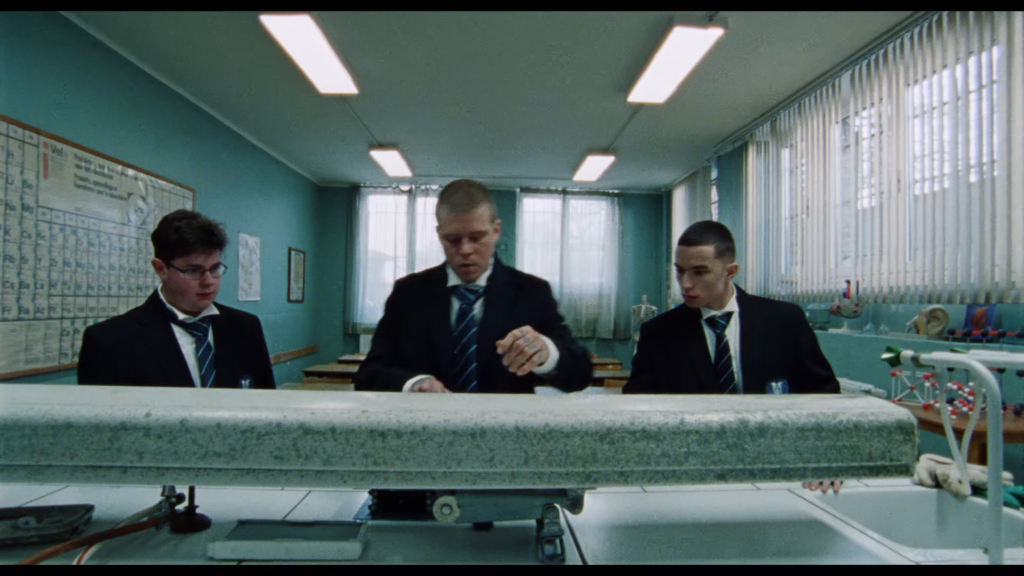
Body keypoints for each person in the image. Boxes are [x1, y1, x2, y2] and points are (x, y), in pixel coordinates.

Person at [623, 220, 842, 493]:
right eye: (680, 272)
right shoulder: (659, 332)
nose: (685, 284)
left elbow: (824, 394)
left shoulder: (783, 320)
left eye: (700, 272)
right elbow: (637, 407)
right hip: (692, 473)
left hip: (777, 470)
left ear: (731, 271)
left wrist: (829, 457)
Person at [354, 179, 592, 394]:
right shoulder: (407, 293)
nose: (465, 250)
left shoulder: (531, 292)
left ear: (496, 231)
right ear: (439, 234)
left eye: (477, 237)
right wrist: (412, 383)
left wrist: (546, 354)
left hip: (506, 434)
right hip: (425, 431)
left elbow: (580, 375)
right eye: (453, 239)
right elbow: (368, 374)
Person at [78, 209, 275, 389]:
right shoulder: (109, 341)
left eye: (215, 268)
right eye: (192, 270)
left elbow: (267, 406)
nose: (209, 282)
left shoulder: (246, 328)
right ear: (160, 269)